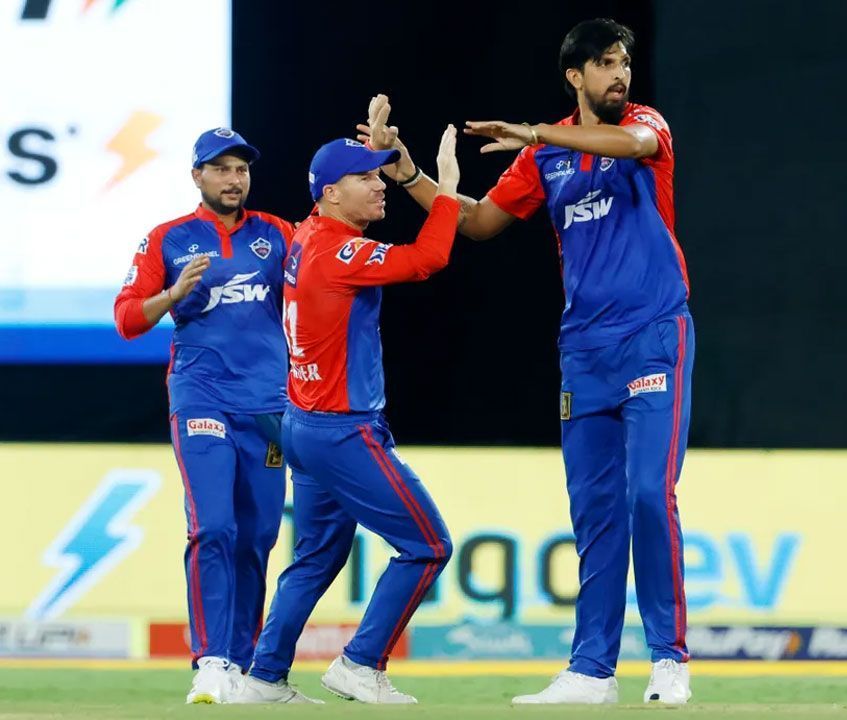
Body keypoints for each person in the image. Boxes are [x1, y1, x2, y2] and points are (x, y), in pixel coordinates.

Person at [360, 18, 693, 705]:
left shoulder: (642, 126)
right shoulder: (547, 158)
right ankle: (591, 671)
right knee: (595, 512)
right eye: (604, 64)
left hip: (654, 335)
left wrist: (539, 133)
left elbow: (629, 143)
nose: (619, 74)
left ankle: (668, 660)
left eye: (623, 62)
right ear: (575, 76)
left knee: (645, 495)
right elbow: (479, 221)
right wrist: (411, 175)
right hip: (584, 353)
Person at [235, 113, 460, 705]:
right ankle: (360, 663)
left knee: (316, 557)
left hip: (303, 423)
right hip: (341, 429)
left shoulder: (307, 236)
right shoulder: (339, 252)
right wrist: (446, 188)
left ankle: (264, 677)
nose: (381, 184)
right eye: (368, 177)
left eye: (381, 175)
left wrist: (387, 153)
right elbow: (428, 260)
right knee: (428, 546)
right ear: (332, 193)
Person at [112, 128, 294, 704]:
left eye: (241, 169)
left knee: (259, 536)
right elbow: (126, 320)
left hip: (269, 406)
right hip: (202, 398)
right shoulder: (167, 239)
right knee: (214, 525)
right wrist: (172, 294)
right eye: (221, 169)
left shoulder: (278, 234)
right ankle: (210, 662)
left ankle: (241, 666)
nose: (234, 179)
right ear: (197, 176)